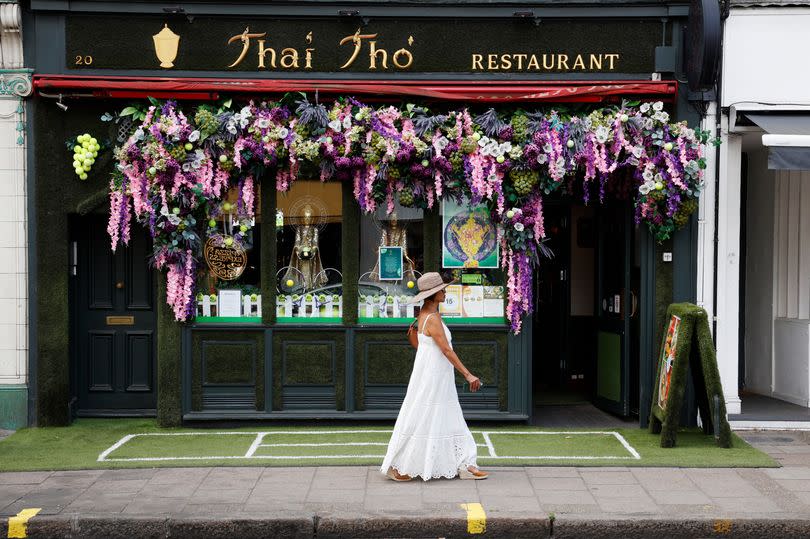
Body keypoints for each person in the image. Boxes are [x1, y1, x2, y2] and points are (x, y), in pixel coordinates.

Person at [380, 272, 489, 481]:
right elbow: (447, 351)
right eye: (442, 289)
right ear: (433, 294)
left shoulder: (423, 316)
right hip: (434, 377)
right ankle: (404, 466)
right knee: (429, 417)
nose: (445, 291)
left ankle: (464, 463)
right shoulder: (433, 319)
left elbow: (421, 346)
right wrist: (468, 375)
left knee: (438, 416)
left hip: (431, 374)